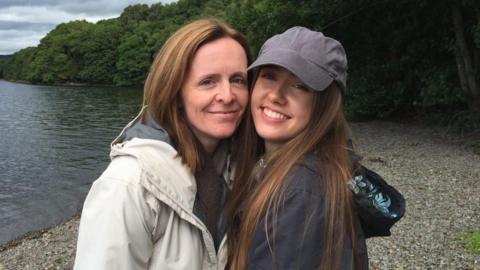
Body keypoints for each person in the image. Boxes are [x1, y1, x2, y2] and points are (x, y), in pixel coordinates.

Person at [74, 19, 251, 270]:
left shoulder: (243, 168)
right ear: (175, 92)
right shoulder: (128, 185)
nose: (227, 95)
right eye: (207, 81)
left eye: (238, 80)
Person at [226, 27, 405, 269]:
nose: (276, 95)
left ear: (325, 105)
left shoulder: (301, 192)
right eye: (269, 75)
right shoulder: (273, 166)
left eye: (300, 85)